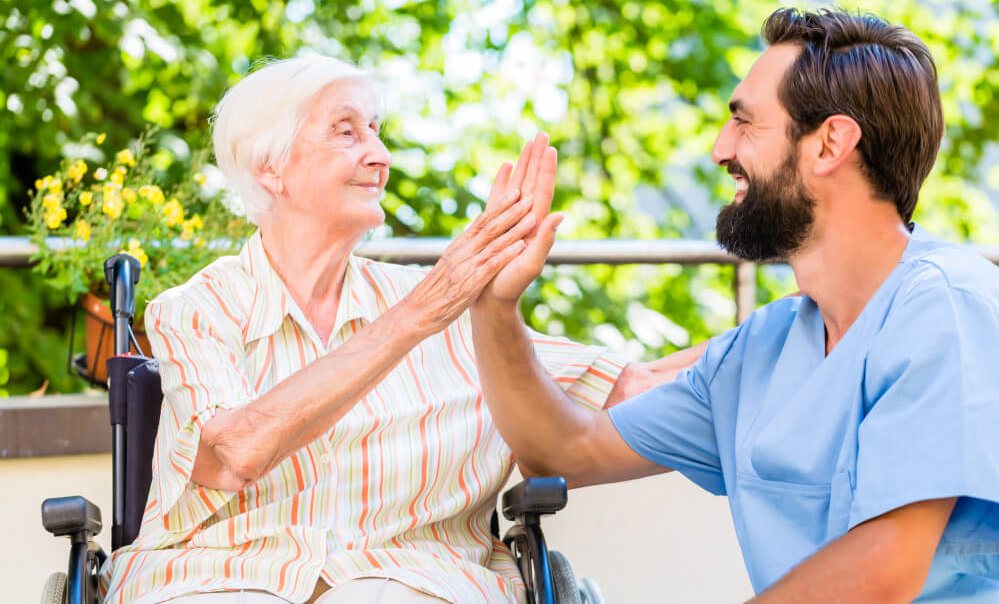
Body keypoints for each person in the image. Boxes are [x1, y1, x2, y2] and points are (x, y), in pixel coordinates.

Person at [470, 8, 999, 602]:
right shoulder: (763, 348)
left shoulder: (949, 303)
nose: (719, 148)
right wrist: (495, 308)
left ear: (831, 143)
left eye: (744, 122)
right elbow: (562, 451)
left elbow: (884, 567)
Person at [99, 56, 696, 604]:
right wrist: (418, 316)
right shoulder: (198, 309)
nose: (380, 155)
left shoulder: (455, 304)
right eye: (346, 131)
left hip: (410, 577)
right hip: (221, 576)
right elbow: (236, 454)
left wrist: (779, 326)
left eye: (377, 131)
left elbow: (626, 386)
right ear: (270, 167)